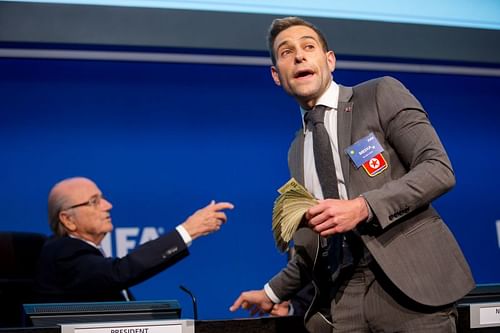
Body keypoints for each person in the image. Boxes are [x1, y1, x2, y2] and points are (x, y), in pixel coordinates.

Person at [230, 17, 474, 332]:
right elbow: (313, 244)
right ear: (277, 75)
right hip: (342, 300)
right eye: (286, 52)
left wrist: (363, 206)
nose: (299, 56)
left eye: (308, 46)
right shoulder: (297, 150)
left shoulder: (379, 95)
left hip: (409, 291)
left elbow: (438, 168)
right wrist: (270, 293)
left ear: (329, 60)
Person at [35, 176, 234, 302]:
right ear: (68, 220)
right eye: (94, 202)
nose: (108, 205)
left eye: (102, 198)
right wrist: (187, 231)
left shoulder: (84, 253)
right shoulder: (62, 252)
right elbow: (118, 273)